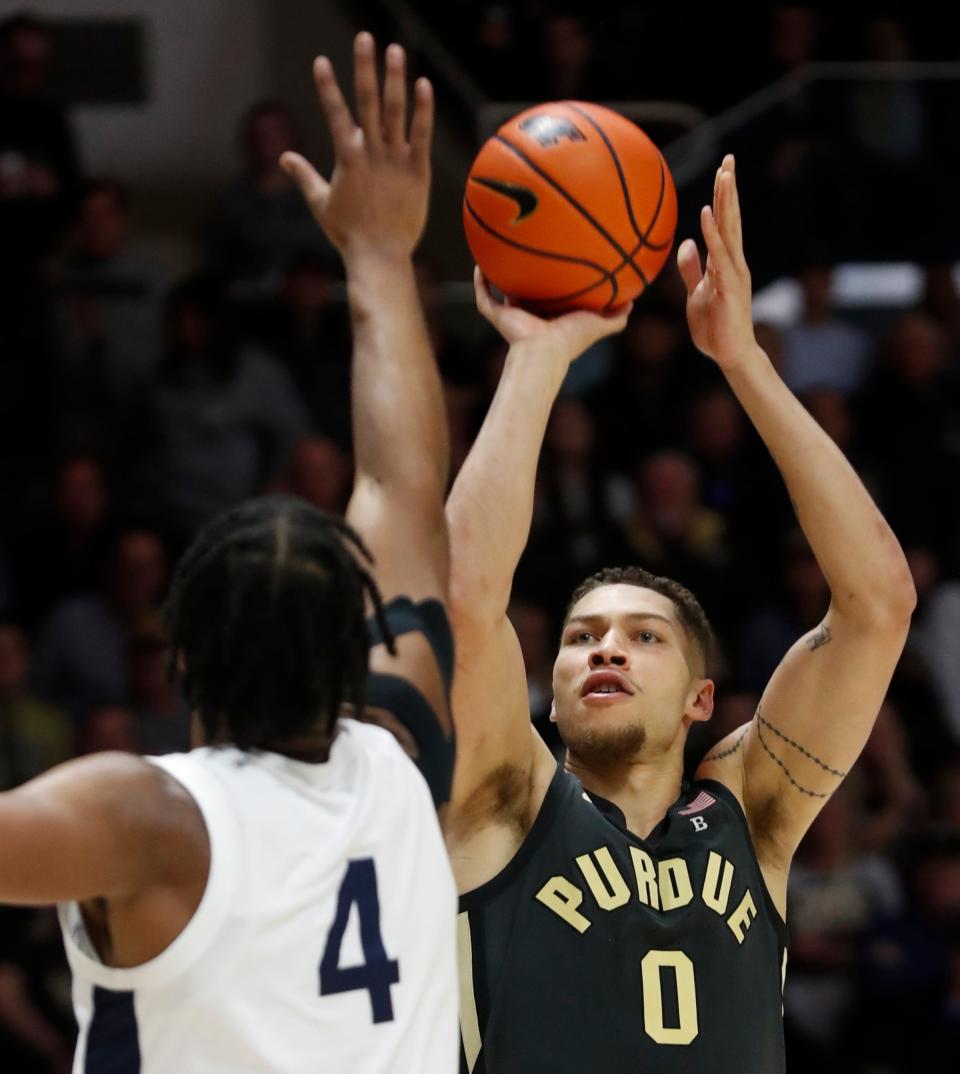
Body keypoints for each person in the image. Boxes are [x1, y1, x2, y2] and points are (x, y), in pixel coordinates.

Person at [0, 33, 458, 1073]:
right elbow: (403, 495)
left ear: (181, 655)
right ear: (357, 651)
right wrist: (383, 258)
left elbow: (400, 502)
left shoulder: (152, 818)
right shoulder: (403, 754)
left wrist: (375, 255)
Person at [445, 155, 915, 1072]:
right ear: (553, 692)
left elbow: (878, 605)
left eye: (642, 635)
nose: (604, 648)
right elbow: (464, 598)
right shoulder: (506, 799)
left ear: (704, 699)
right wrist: (537, 359)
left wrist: (745, 361)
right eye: (581, 638)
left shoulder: (756, 813)